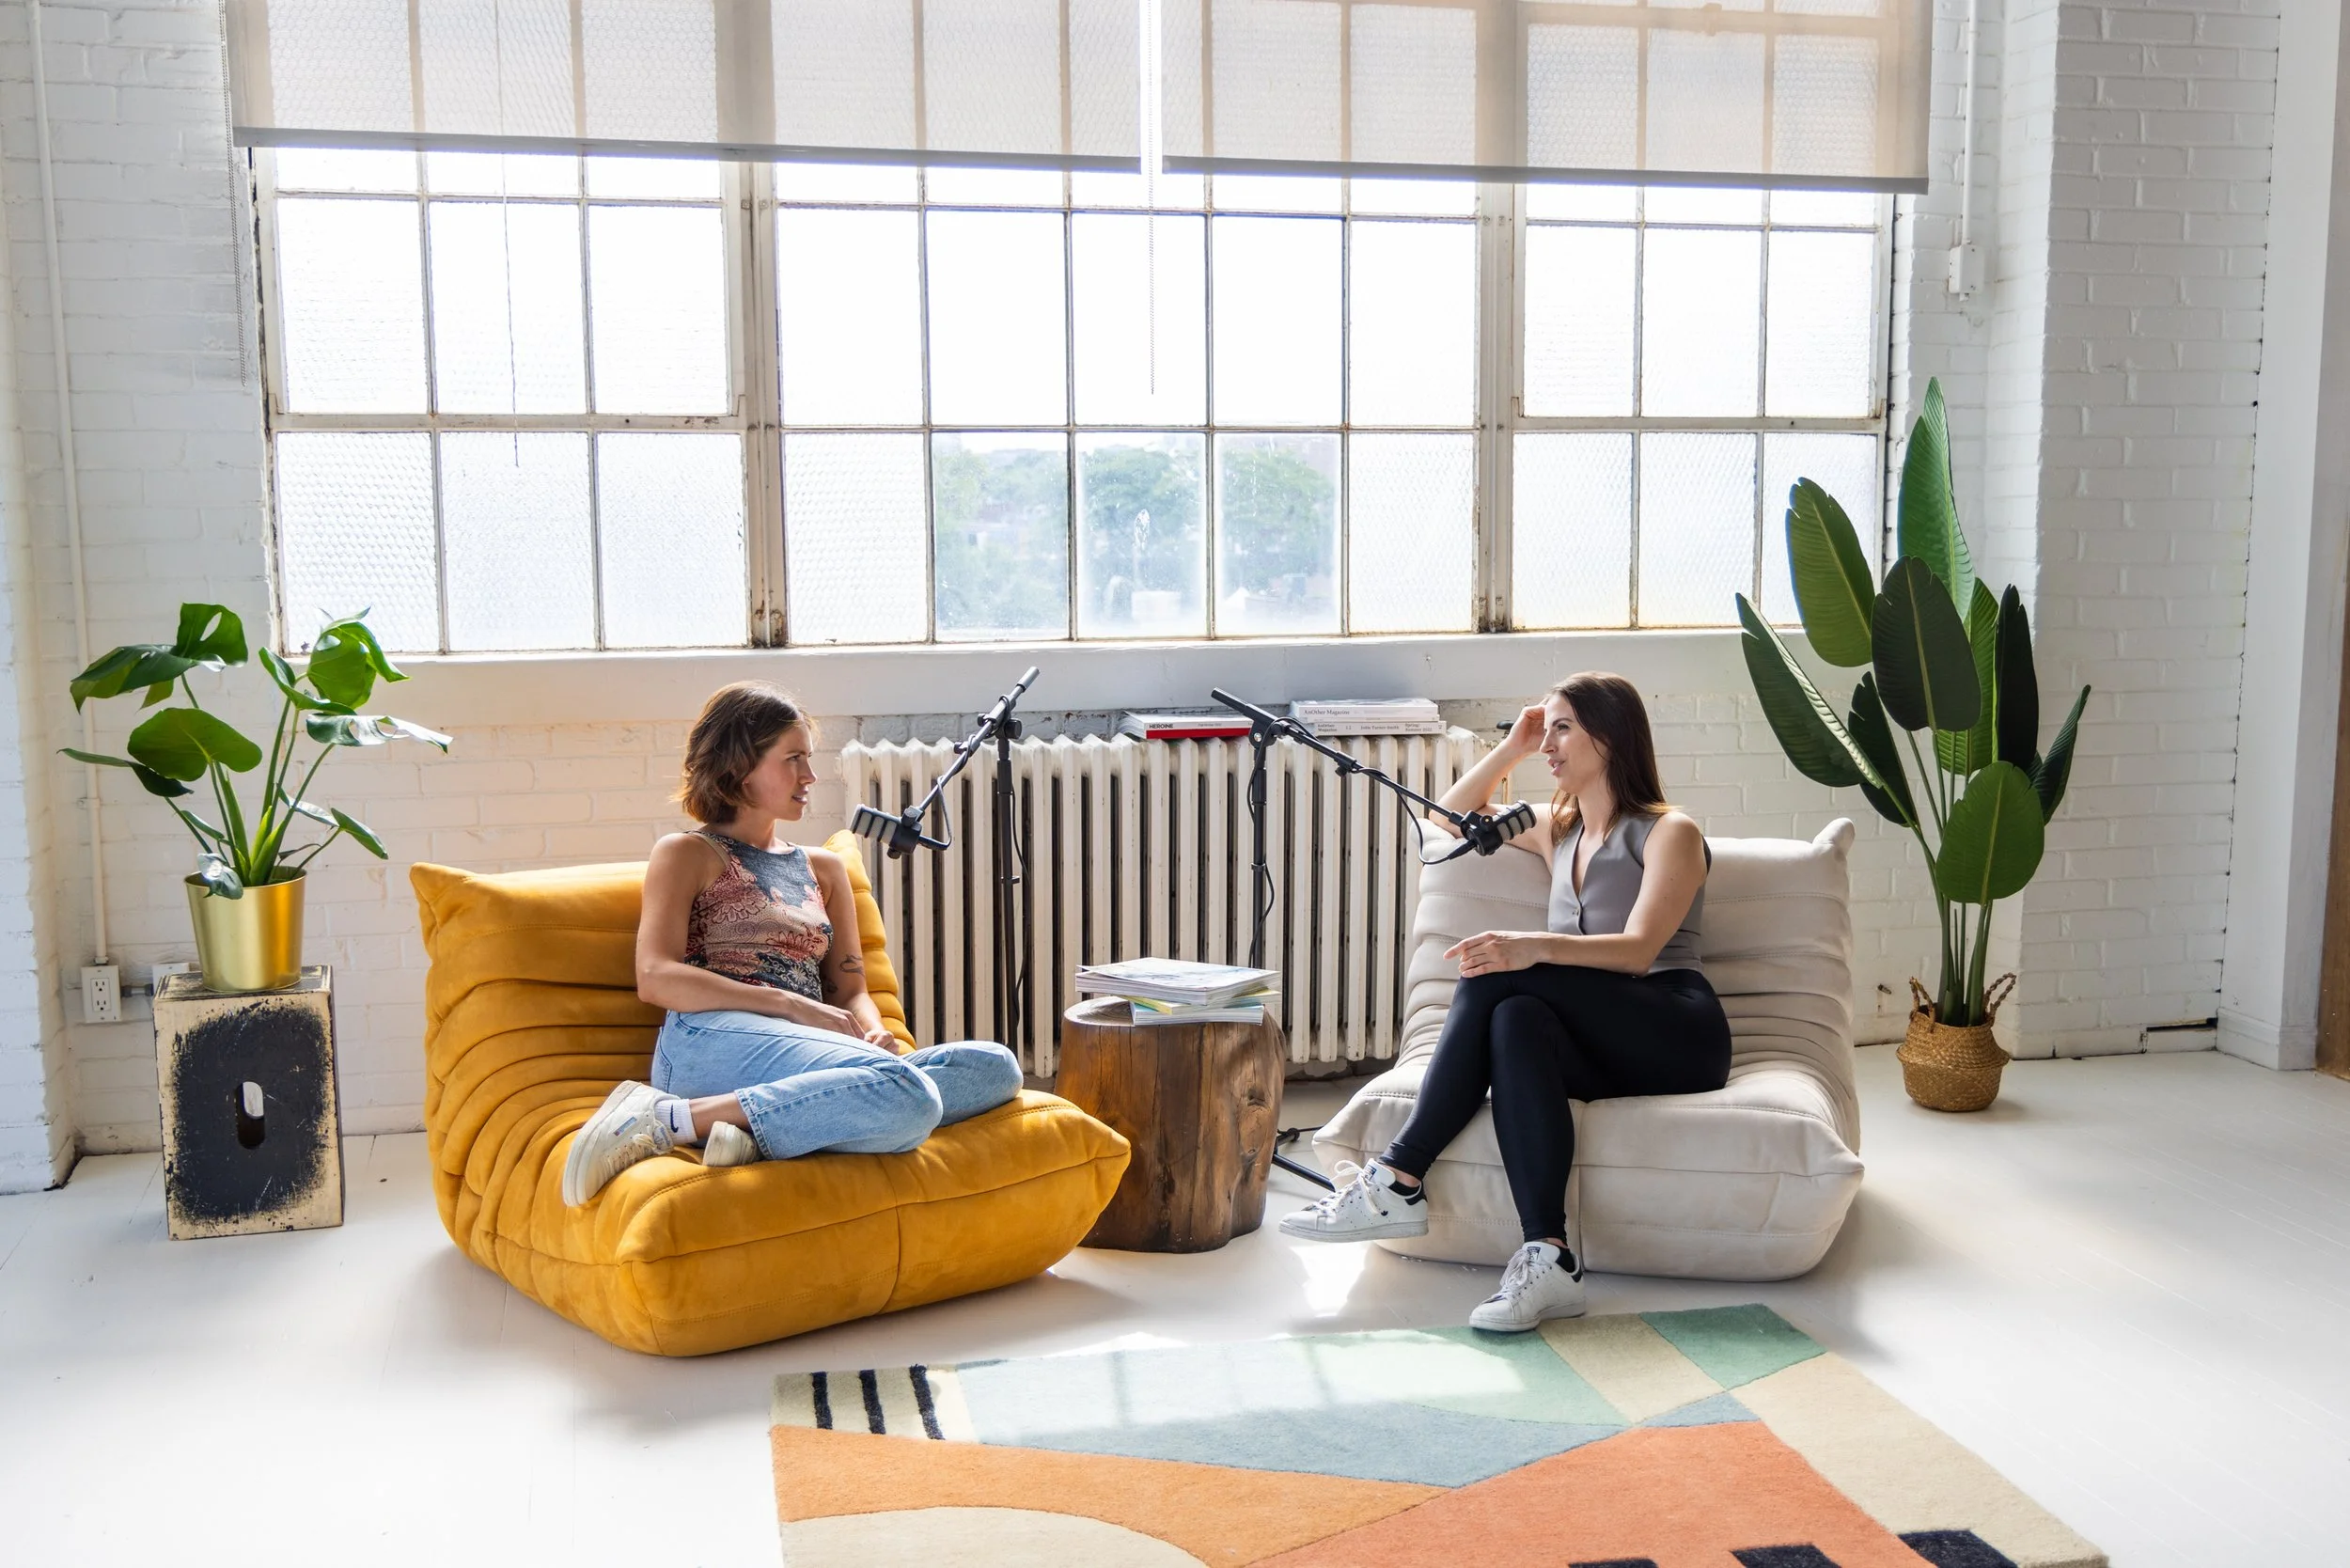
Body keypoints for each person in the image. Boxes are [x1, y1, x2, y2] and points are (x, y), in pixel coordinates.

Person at [1280, 672, 1732, 1332]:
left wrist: (1532, 946)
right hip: (1598, 1034)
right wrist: (1515, 747)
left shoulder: (1670, 832)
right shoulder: (1560, 828)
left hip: (1675, 1029)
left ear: (1609, 735)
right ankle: (1549, 1257)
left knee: (1495, 969)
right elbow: (1447, 817)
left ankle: (1399, 1176)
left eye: (1563, 728)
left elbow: (1638, 952)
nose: (1549, 743)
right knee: (1517, 1018)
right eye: (1544, 728)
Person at [562, 682, 1025, 1206]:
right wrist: (791, 1006)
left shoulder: (823, 868)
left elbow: (851, 989)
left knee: (994, 1066)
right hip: (707, 1039)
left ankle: (754, 1133)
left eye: (809, 758)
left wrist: (873, 1034)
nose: (810, 776)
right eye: (794, 759)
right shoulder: (687, 854)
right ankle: (666, 1118)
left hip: (804, 1047)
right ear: (740, 765)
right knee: (912, 1097)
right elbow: (656, 977)